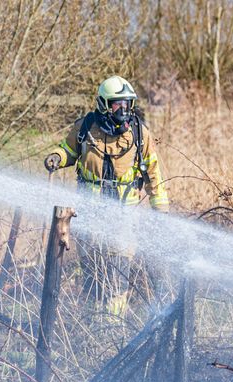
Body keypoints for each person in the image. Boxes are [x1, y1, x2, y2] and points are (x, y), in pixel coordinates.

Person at [43, 76, 169, 315]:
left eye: (127, 103)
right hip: (89, 212)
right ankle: (92, 319)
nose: (123, 109)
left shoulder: (139, 134)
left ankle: (113, 323)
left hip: (124, 216)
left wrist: (160, 211)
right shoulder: (85, 127)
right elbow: (69, 149)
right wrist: (57, 157)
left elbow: (154, 172)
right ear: (103, 104)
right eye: (116, 104)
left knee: (118, 269)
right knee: (90, 268)